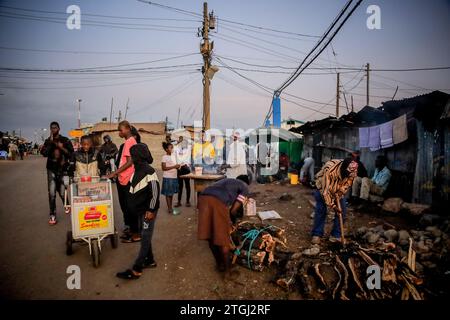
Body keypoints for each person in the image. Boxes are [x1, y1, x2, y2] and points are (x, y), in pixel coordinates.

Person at [116, 143, 160, 280]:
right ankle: (150, 260)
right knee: (144, 234)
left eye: (132, 156)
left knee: (145, 238)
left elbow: (155, 192)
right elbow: (133, 188)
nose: (131, 159)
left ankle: (137, 268)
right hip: (140, 211)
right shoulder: (137, 170)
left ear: (137, 157)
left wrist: (151, 210)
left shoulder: (149, 171)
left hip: (148, 211)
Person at [197, 175, 250, 279]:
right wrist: (232, 223)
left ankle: (219, 264)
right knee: (223, 238)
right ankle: (227, 271)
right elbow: (233, 210)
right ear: (247, 182)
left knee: (210, 234)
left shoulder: (227, 181)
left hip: (203, 198)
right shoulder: (244, 187)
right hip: (217, 202)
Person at [311, 158, 358, 244]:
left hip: (338, 189)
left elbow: (348, 184)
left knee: (342, 210)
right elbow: (325, 193)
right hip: (322, 188)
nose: (348, 175)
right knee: (321, 210)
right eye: (346, 174)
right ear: (343, 169)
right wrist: (334, 206)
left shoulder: (353, 170)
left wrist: (340, 192)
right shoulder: (330, 169)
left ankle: (336, 235)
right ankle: (317, 234)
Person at [106, 121, 138, 242]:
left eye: (121, 130)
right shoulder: (127, 142)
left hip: (127, 179)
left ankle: (134, 233)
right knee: (126, 207)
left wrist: (115, 172)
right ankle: (130, 230)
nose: (119, 132)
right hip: (123, 179)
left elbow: (130, 162)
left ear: (128, 129)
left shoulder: (130, 142)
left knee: (130, 207)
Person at [40, 121, 74, 225]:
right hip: (51, 169)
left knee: (62, 191)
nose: (53, 129)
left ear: (59, 128)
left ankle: (66, 204)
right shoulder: (48, 141)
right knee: (52, 193)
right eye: (51, 128)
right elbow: (44, 154)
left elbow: (71, 153)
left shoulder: (65, 140)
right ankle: (52, 215)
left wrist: (60, 146)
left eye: (55, 127)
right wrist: (50, 143)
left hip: (63, 169)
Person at [161, 141, 180, 214]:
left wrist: (178, 167)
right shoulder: (164, 157)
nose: (172, 149)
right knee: (168, 193)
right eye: (170, 148)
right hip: (168, 177)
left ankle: (170, 207)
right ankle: (169, 208)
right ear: (166, 149)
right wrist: (174, 166)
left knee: (171, 193)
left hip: (174, 177)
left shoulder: (174, 157)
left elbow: (176, 166)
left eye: (172, 148)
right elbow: (163, 168)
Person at [174, 135, 192, 208]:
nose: (181, 141)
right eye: (180, 140)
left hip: (186, 168)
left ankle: (187, 201)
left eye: (182, 140)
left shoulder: (188, 148)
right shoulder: (177, 149)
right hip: (179, 168)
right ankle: (179, 201)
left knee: (187, 185)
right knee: (180, 186)